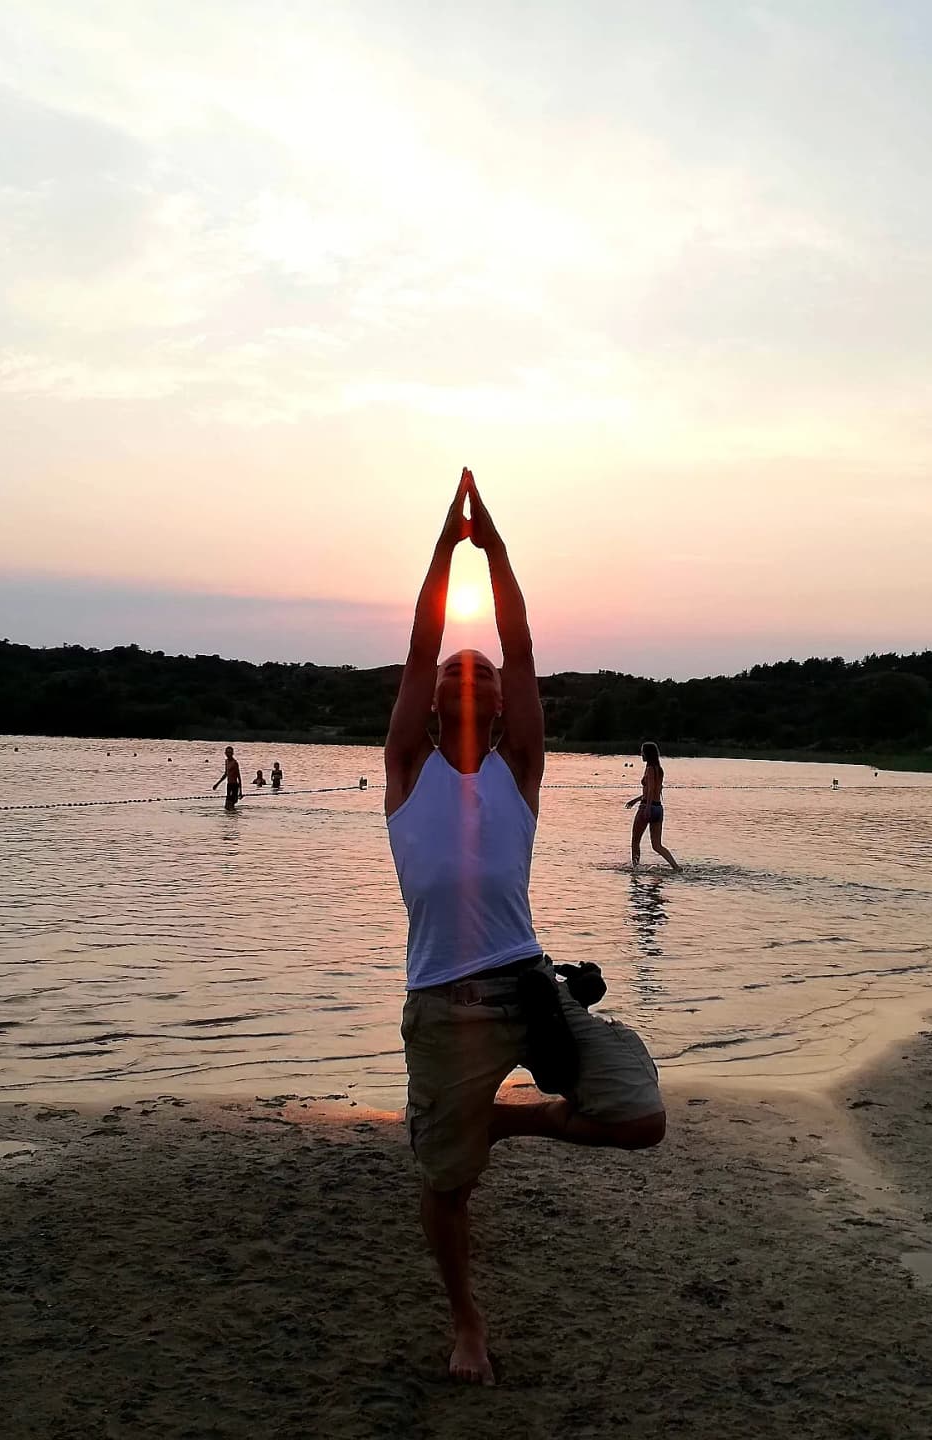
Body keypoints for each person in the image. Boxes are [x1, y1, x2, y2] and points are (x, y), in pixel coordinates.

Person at [385, 468, 666, 1386]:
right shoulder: (405, 773)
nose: (473, 680)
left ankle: (513, 1124)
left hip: (526, 985)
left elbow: (523, 646)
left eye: (488, 679)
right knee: (445, 1184)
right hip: (441, 1006)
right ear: (434, 701)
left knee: (639, 1119)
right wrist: (441, 548)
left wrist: (494, 549)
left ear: (504, 705)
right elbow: (426, 641)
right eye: (456, 678)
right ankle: (466, 1323)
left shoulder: (520, 772)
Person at [625, 741, 681, 871]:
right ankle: (676, 867)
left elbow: (650, 790)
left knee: (635, 841)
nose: (641, 754)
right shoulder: (659, 770)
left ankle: (635, 869)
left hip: (647, 807)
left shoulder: (650, 769)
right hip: (658, 808)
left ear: (647, 754)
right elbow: (655, 790)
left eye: (642, 752)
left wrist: (647, 807)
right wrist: (635, 800)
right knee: (657, 845)